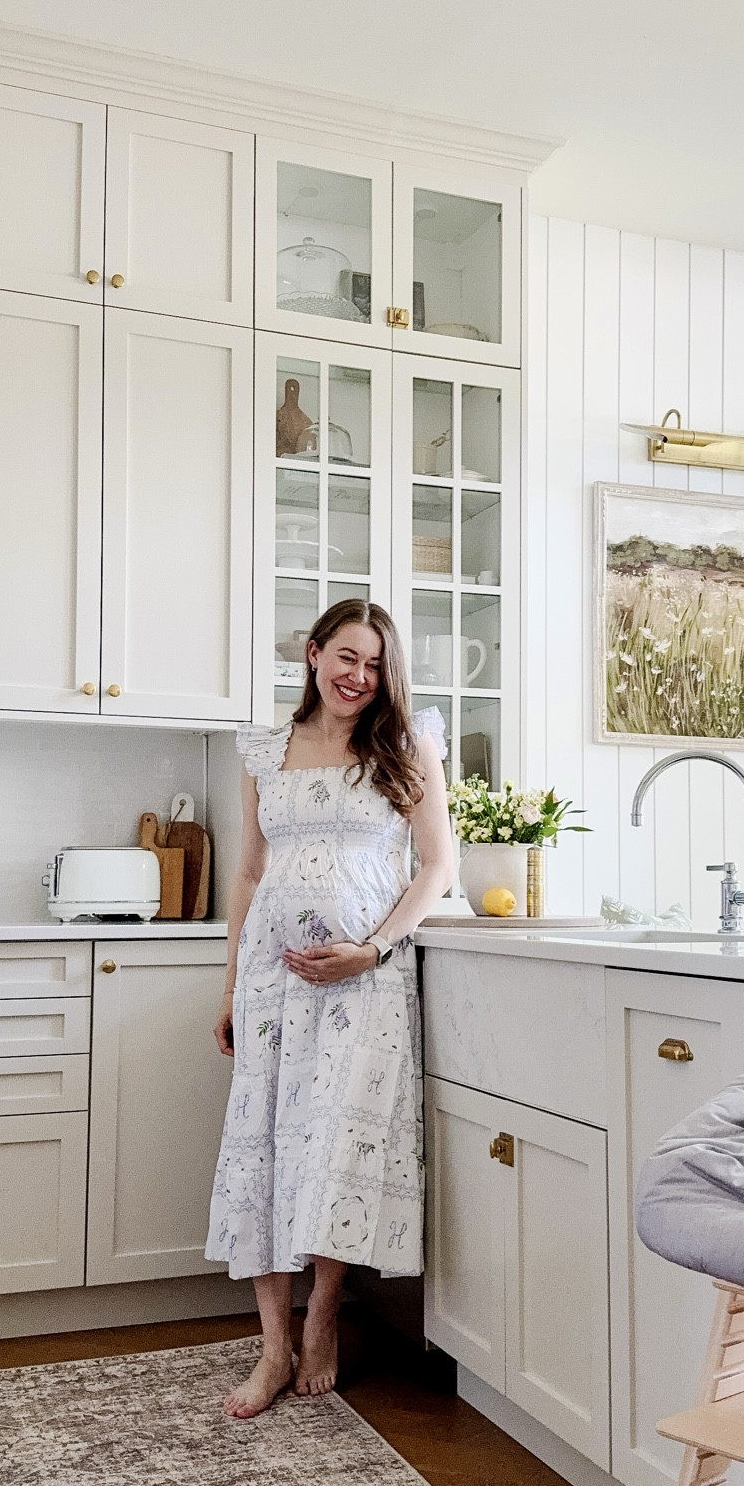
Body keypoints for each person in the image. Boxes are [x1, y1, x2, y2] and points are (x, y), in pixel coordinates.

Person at [206, 601, 453, 1418]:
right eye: (347, 656)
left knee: (334, 1145)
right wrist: (232, 980)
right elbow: (248, 872)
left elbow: (436, 866)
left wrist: (375, 947)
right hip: (274, 985)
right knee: (264, 1148)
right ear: (313, 655)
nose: (359, 676)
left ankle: (322, 1318)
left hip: (362, 984)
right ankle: (272, 1347)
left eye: (376, 664)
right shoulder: (264, 750)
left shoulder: (406, 746)